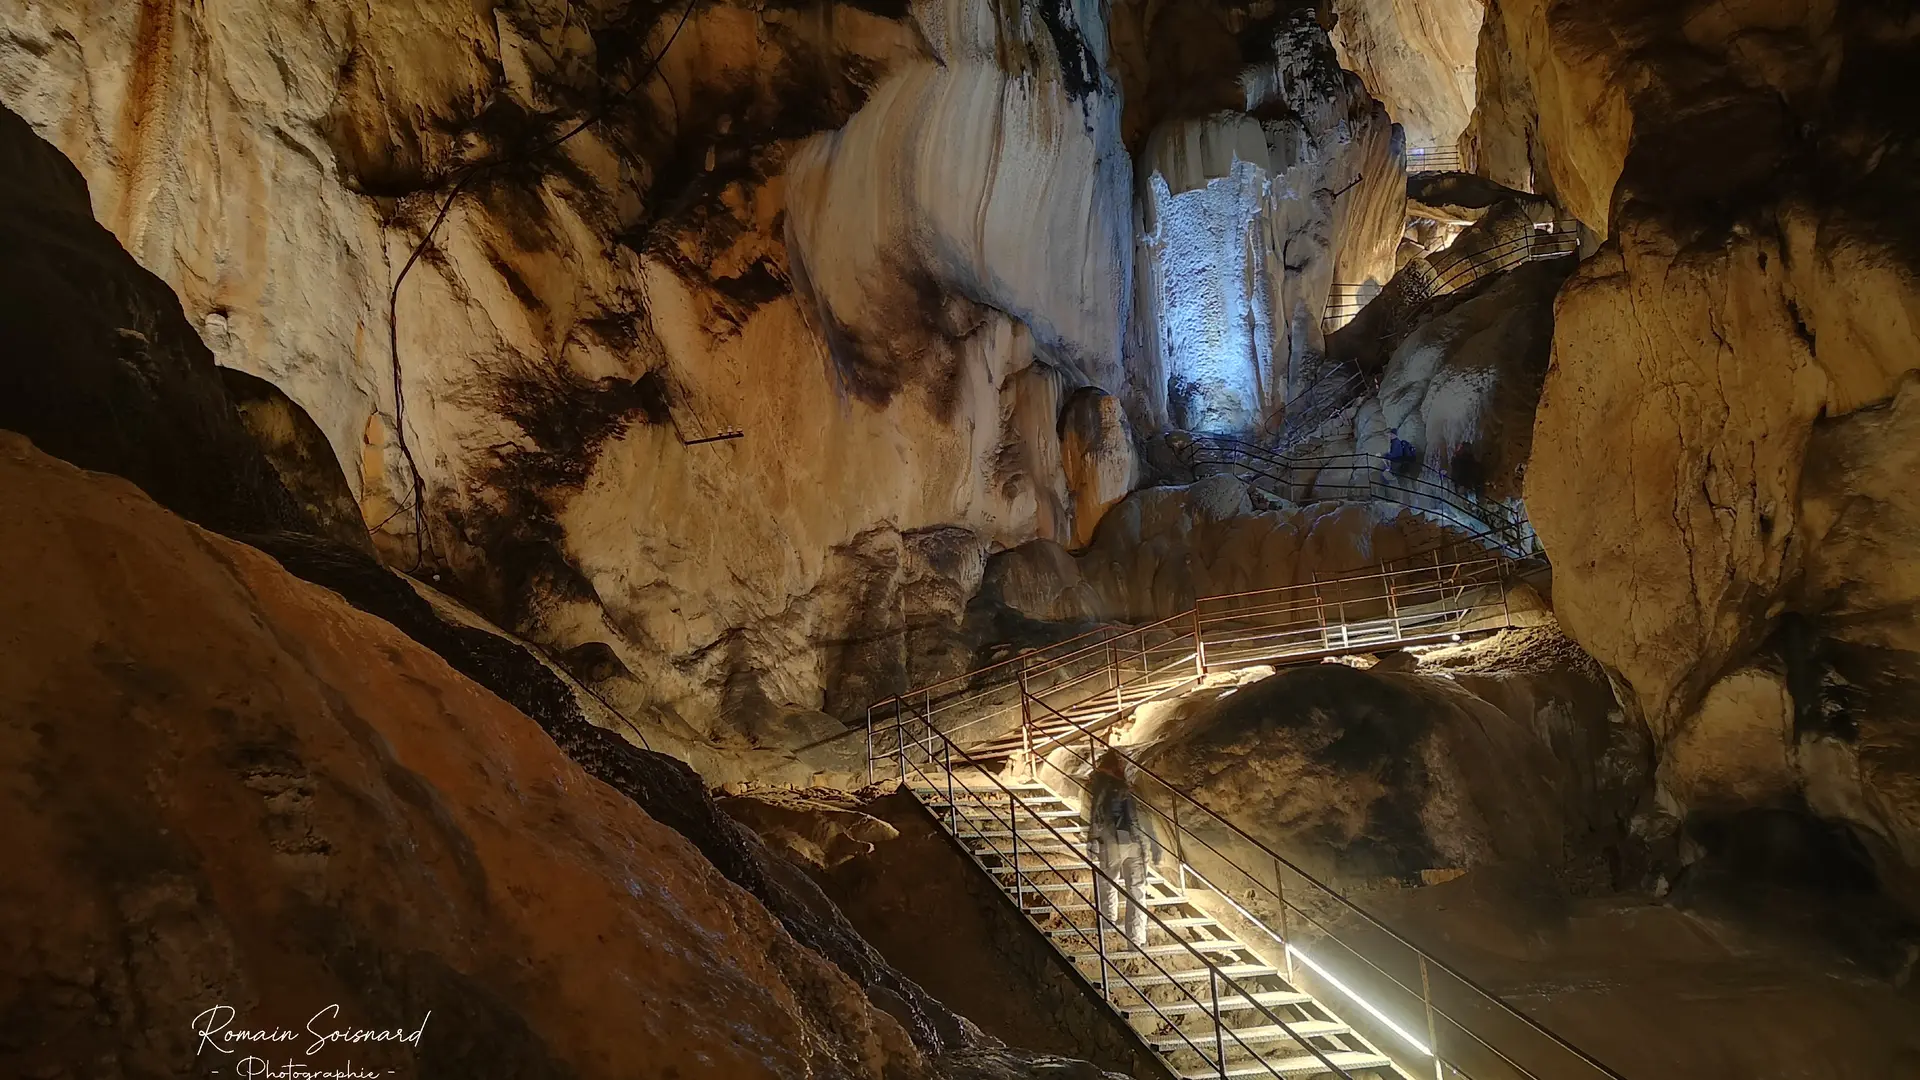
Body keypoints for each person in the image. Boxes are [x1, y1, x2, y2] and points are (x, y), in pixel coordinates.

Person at [1084, 749, 1161, 949]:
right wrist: (1147, 846)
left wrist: (1092, 838)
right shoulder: (1126, 787)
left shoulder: (1101, 784)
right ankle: (1136, 938)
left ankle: (1108, 922)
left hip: (1112, 840)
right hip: (1133, 841)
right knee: (1136, 890)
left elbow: (1097, 811)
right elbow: (1135, 818)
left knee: (1109, 881)